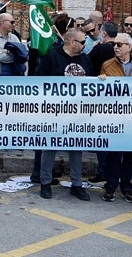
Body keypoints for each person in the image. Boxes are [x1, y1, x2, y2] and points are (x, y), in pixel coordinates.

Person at [36, 28, 94, 201]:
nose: (85, 44)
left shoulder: (85, 59)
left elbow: (90, 81)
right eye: (82, 41)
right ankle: (45, 182)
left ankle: (77, 184)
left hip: (78, 113)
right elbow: (39, 81)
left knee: (76, 147)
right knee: (50, 146)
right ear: (71, 42)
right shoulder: (52, 57)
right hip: (55, 112)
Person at [98, 33, 132, 202]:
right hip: (115, 116)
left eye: (120, 44)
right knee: (114, 153)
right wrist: (102, 81)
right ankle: (110, 185)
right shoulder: (107, 65)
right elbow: (101, 91)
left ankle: (127, 186)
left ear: (129, 47)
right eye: (114, 44)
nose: (116, 47)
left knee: (130, 154)